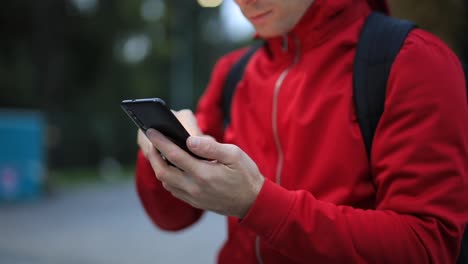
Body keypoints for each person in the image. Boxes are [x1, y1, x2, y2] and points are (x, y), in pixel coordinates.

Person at [135, 0, 468, 263]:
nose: (244, 2)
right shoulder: (234, 73)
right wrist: (159, 154)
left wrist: (256, 203)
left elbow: (427, 248)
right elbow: (171, 217)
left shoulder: (413, 61)